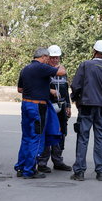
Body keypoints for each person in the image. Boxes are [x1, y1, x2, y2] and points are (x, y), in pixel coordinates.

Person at [70, 40, 102, 182]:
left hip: (86, 106)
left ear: (94, 51)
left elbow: (76, 84)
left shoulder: (85, 65)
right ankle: (100, 171)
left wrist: (76, 98)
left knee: (83, 138)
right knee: (101, 138)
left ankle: (79, 172)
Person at [14, 48, 66, 179]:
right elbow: (62, 72)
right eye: (48, 58)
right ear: (43, 57)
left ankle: (21, 166)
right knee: (36, 138)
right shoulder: (42, 67)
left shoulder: (25, 69)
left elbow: (20, 89)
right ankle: (29, 170)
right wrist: (57, 65)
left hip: (26, 104)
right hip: (38, 106)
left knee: (26, 137)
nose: (50, 61)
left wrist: (44, 89)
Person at [37, 45, 72, 173]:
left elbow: (65, 89)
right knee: (47, 132)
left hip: (61, 106)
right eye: (53, 58)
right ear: (47, 58)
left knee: (61, 132)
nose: (55, 60)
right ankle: (42, 162)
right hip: (48, 106)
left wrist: (68, 105)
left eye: (57, 58)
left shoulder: (62, 72)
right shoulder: (43, 71)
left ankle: (58, 160)